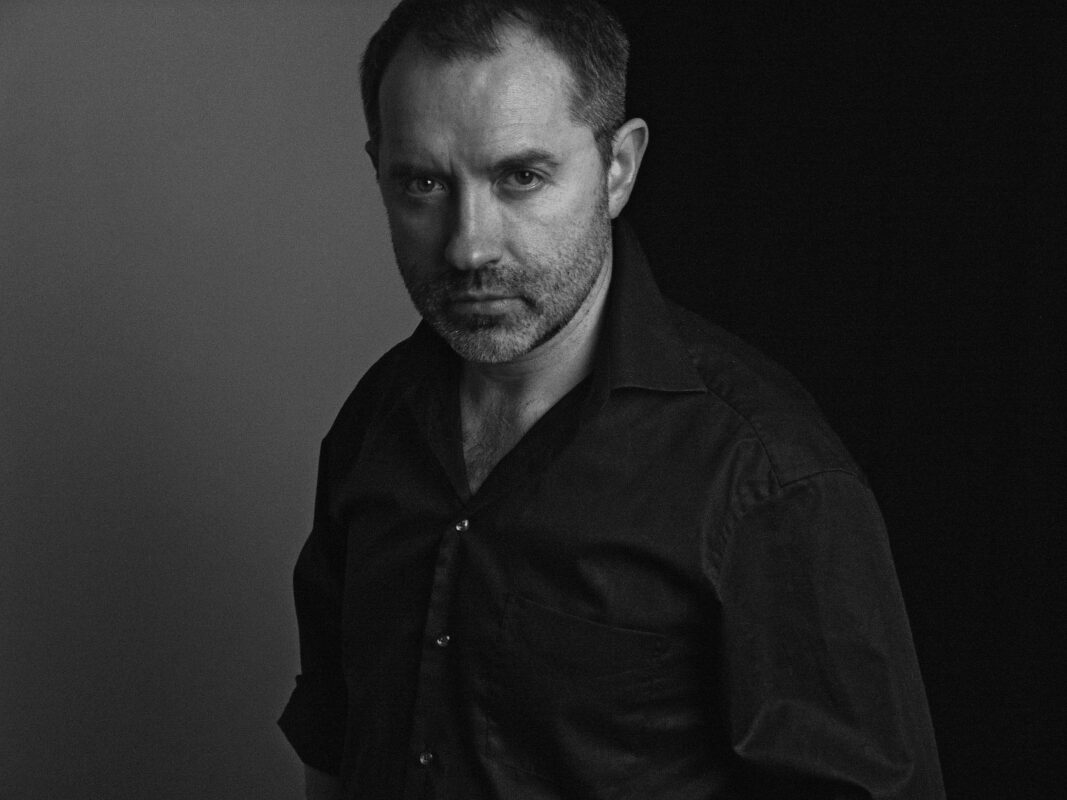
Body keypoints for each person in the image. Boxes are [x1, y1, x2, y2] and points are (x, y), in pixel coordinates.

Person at [279, 1, 945, 797]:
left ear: (618, 168)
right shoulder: (374, 422)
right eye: (422, 183)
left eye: (520, 177)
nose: (468, 245)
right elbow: (335, 740)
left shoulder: (763, 476)